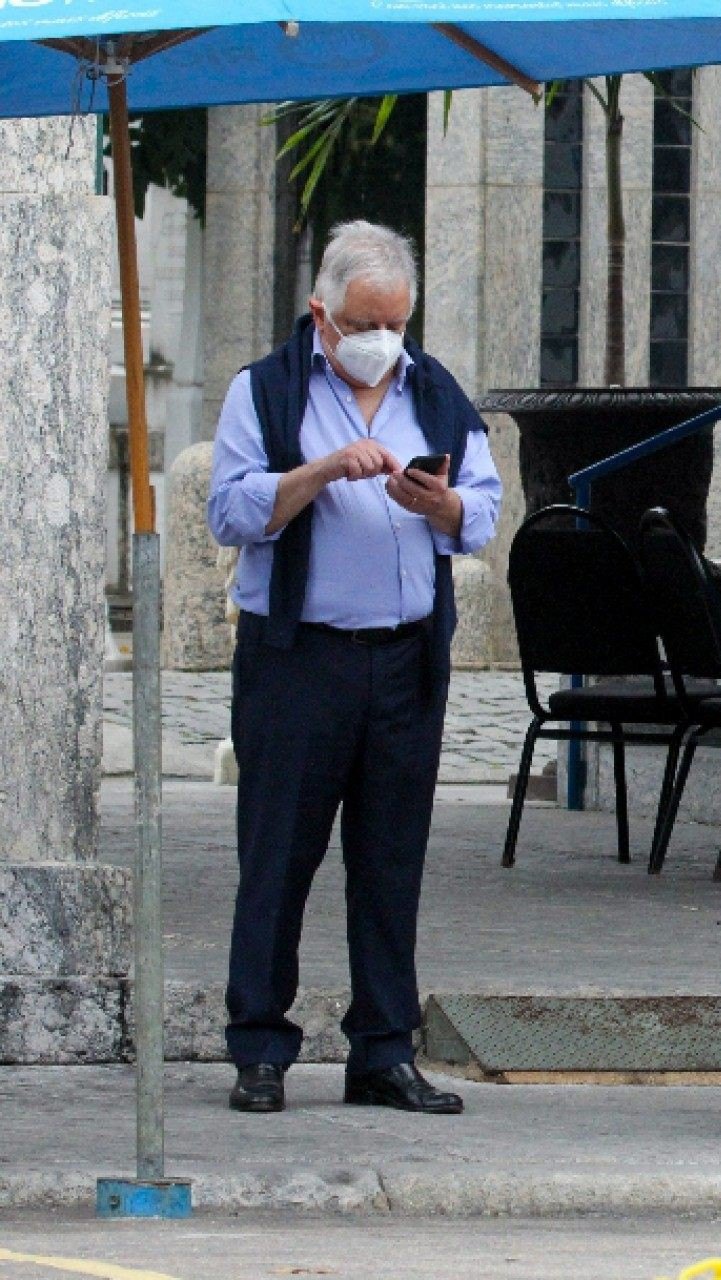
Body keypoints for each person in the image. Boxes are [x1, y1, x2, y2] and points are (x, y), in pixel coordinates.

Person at [207, 221, 501, 1116]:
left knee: (390, 860)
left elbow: (484, 512)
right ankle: (261, 1046)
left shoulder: (434, 390)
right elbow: (230, 511)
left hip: (405, 659)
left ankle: (382, 1049)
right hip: (299, 658)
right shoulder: (266, 390)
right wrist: (322, 471)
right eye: (365, 324)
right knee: (278, 855)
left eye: (396, 323)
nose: (382, 341)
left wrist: (440, 505)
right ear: (321, 314)